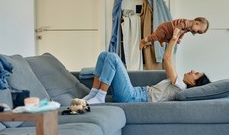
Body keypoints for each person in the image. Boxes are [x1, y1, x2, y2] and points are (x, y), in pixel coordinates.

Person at [83, 35, 211, 104]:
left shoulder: (181, 87)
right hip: (134, 93)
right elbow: (168, 62)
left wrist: (174, 38)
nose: (193, 70)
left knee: (113, 57)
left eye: (196, 73)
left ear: (193, 83)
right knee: (104, 55)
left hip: (133, 97)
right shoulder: (177, 83)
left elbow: (167, 59)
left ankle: (100, 96)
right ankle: (94, 93)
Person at [139, 17, 209, 49]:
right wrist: (175, 35)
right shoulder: (188, 23)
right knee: (156, 36)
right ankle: (143, 41)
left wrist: (180, 38)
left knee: (167, 39)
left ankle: (161, 40)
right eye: (198, 31)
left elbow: (183, 32)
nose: (196, 33)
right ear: (196, 23)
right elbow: (178, 27)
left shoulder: (189, 28)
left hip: (169, 32)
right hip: (165, 28)